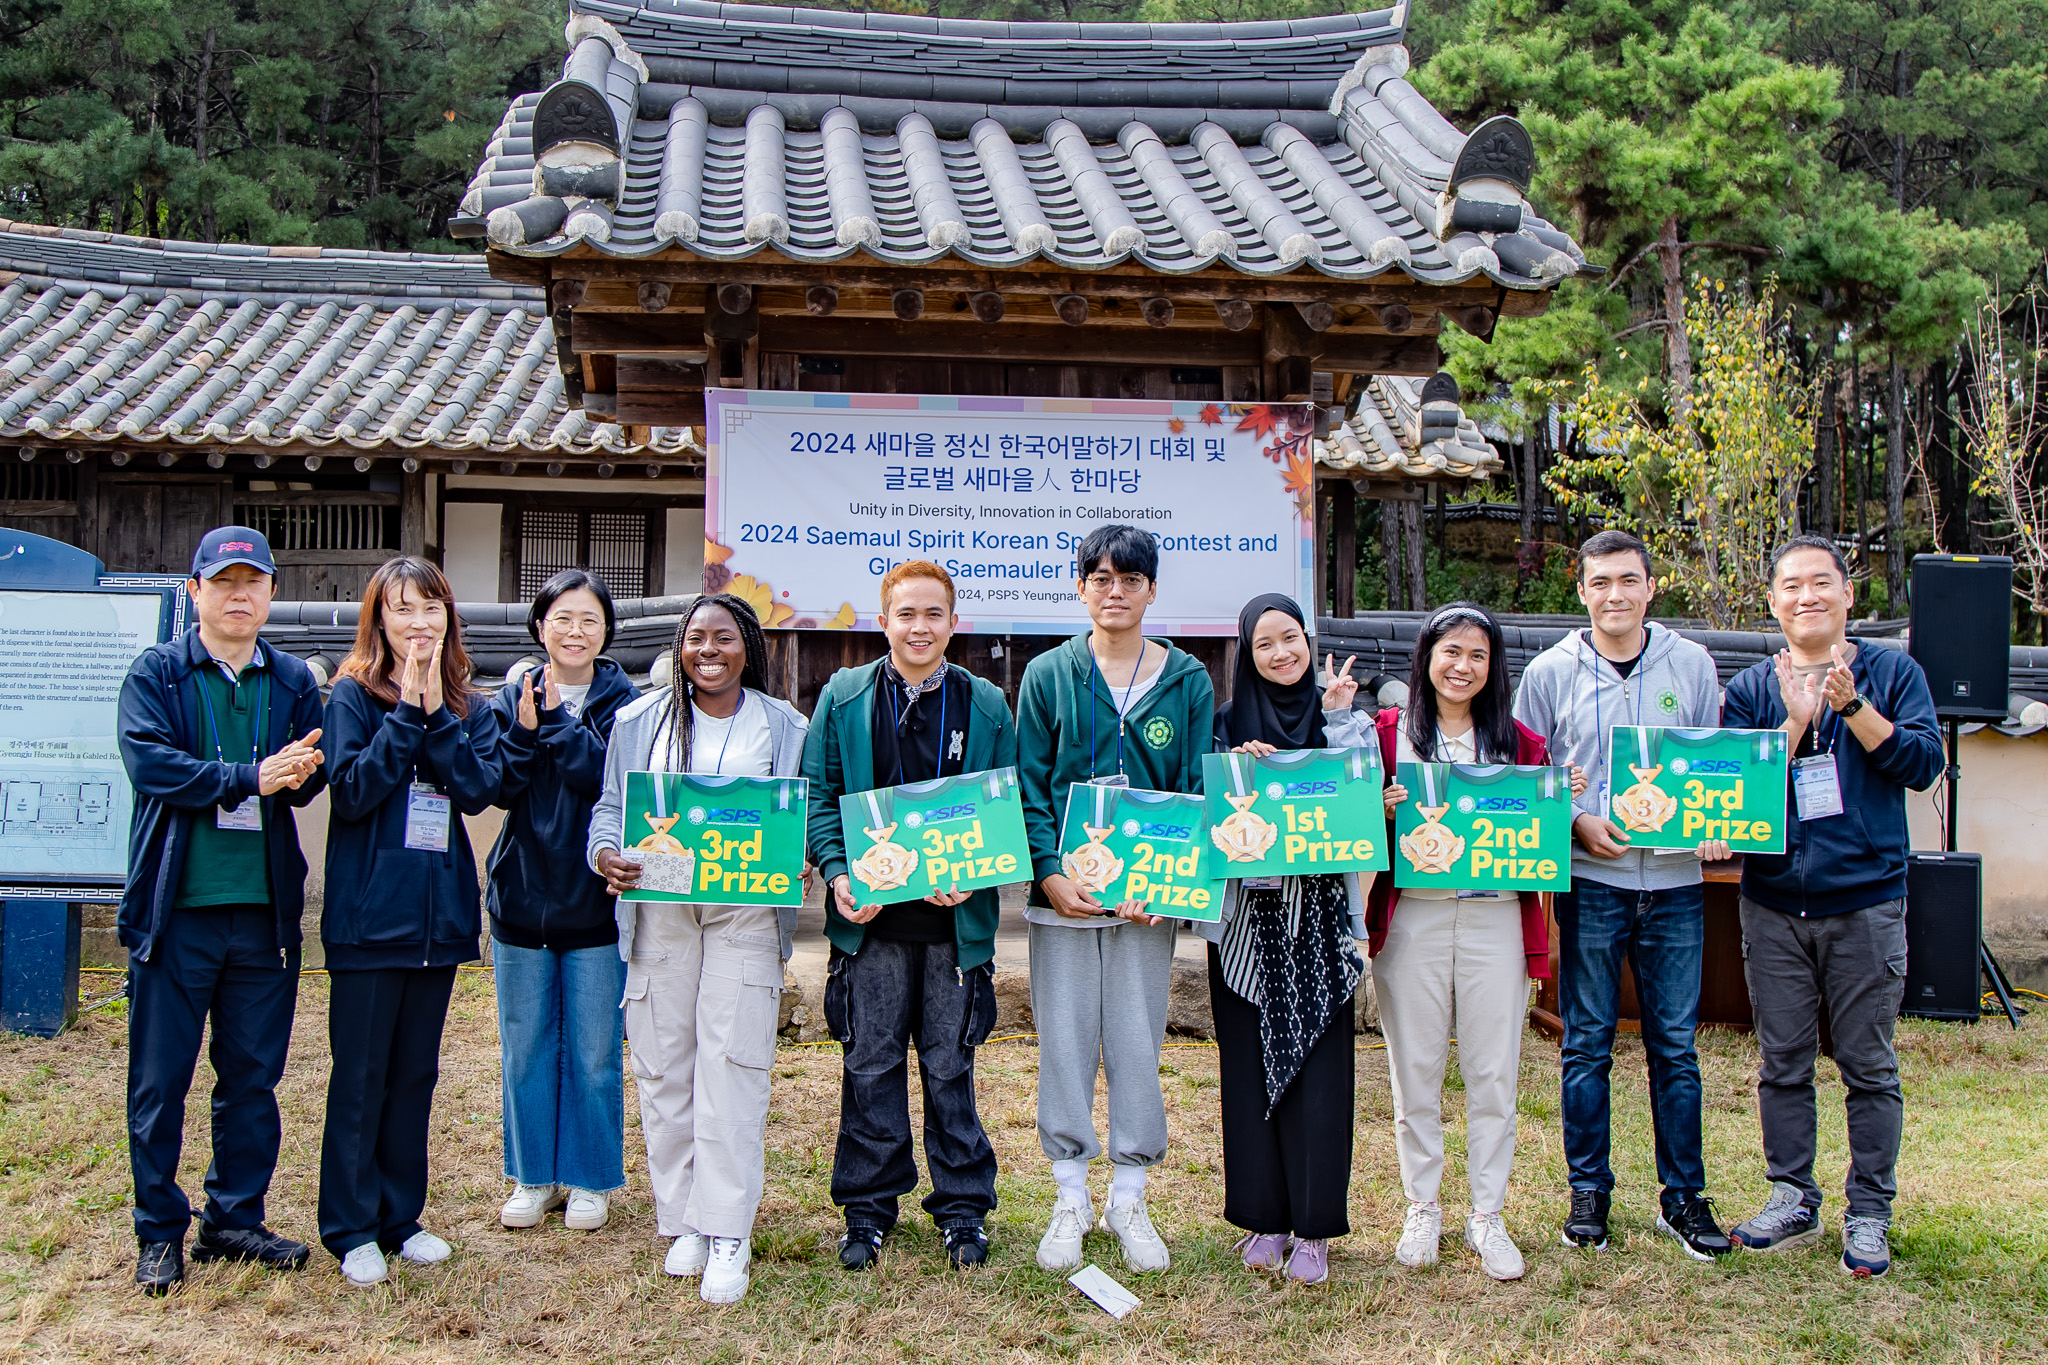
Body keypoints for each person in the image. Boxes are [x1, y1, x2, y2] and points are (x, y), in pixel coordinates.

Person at [1720, 536, 1942, 1279]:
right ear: (1773, 601)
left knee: (1867, 1064)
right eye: (1791, 585)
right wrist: (1791, 720)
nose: (1806, 595)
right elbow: (1732, 793)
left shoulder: (1893, 672)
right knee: (1781, 1060)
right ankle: (1792, 1194)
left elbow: (1921, 763)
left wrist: (1851, 708)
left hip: (1867, 901)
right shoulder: (1752, 685)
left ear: (1849, 595)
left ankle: (1870, 1211)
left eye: (1822, 583)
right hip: (1774, 901)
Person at [1511, 530, 1734, 1259]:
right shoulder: (1549, 672)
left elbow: (1714, 770)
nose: (1615, 594)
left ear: (1650, 586)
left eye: (1628, 580)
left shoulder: (1691, 664)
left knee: (1675, 1044)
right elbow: (1525, 781)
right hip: (1591, 883)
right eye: (1600, 581)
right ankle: (1588, 1192)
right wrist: (1575, 820)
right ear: (1581, 590)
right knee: (1586, 1043)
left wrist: (1711, 823)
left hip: (1673, 884)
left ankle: (1684, 1197)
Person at [116, 526, 327, 1294]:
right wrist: (250, 775)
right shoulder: (161, 674)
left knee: (251, 1077)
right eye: (225, 581)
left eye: (254, 582)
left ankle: (234, 1217)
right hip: (179, 912)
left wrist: (306, 765)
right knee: (160, 1079)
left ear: (271, 592)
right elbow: (152, 763)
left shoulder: (293, 678)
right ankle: (158, 1230)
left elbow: (303, 778)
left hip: (262, 914)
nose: (240, 595)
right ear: (195, 590)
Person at [588, 593, 810, 1305]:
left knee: (733, 1059)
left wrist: (799, 850)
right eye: (694, 638)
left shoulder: (784, 726)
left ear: (749, 646)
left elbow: (800, 812)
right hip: (661, 906)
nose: (706, 649)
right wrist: (606, 854)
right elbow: (610, 809)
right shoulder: (637, 721)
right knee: (664, 1061)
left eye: (722, 637)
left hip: (744, 909)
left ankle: (727, 1229)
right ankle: (683, 1216)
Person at [802, 561, 1013, 1271]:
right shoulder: (844, 694)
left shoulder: (984, 703)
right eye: (906, 614)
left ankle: (962, 1210)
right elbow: (819, 792)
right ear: (883, 619)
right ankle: (867, 1209)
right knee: (869, 1063)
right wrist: (836, 874)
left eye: (933, 614)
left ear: (955, 623)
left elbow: (1000, 809)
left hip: (954, 928)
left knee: (952, 1067)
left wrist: (975, 871)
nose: (919, 627)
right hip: (872, 925)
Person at [1016, 524, 1215, 1275]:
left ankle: (1129, 1192)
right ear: (1080, 588)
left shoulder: (1187, 679)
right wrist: (1048, 873)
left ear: (1152, 589)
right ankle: (1069, 1191)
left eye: (1129, 578)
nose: (1114, 590)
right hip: (1064, 896)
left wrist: (1172, 881)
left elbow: (1196, 789)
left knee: (1136, 1040)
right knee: (1064, 1039)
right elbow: (1031, 784)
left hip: (1147, 902)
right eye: (1099, 577)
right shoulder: (1049, 674)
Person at [1368, 602, 1582, 1282]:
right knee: (1416, 1071)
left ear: (1494, 668)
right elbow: (1348, 824)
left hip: (1494, 919)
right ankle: (1422, 1205)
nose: (1462, 666)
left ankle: (1487, 1213)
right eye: (1450, 651)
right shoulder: (1386, 733)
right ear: (1426, 656)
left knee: (1494, 1072)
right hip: (1414, 919)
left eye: (1477, 655)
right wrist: (1376, 806)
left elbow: (1542, 840)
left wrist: (1557, 797)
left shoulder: (1520, 744)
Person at [320, 557, 502, 1288]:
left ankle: (401, 1217)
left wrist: (434, 715)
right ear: (380, 620)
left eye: (431, 608)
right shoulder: (351, 697)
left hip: (437, 920)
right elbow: (355, 791)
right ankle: (351, 1225)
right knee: (360, 1075)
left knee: (415, 1076)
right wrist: (404, 714)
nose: (418, 623)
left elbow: (478, 787)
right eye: (402, 610)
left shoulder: (467, 703)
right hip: (369, 921)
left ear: (448, 618)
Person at [1204, 595, 1370, 1285]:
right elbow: (1210, 822)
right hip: (1247, 924)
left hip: (1322, 925)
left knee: (1322, 1078)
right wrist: (1242, 771)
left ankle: (1314, 1228)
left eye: (1291, 637)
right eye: (1265, 643)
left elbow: (1365, 804)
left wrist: (1334, 718)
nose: (1281, 653)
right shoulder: (1223, 730)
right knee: (1246, 1074)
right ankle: (1265, 1219)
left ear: (1308, 640)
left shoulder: (1347, 725)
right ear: (1248, 654)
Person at [485, 569, 637, 1234]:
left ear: (606, 633)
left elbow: (612, 781)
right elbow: (493, 783)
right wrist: (523, 729)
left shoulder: (626, 701)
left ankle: (591, 1177)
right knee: (525, 1044)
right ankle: (533, 1175)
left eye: (589, 620)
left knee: (595, 1048)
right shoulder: (508, 693)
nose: (575, 631)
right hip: (521, 893)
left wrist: (552, 722)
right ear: (539, 626)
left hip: (596, 900)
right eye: (562, 618)